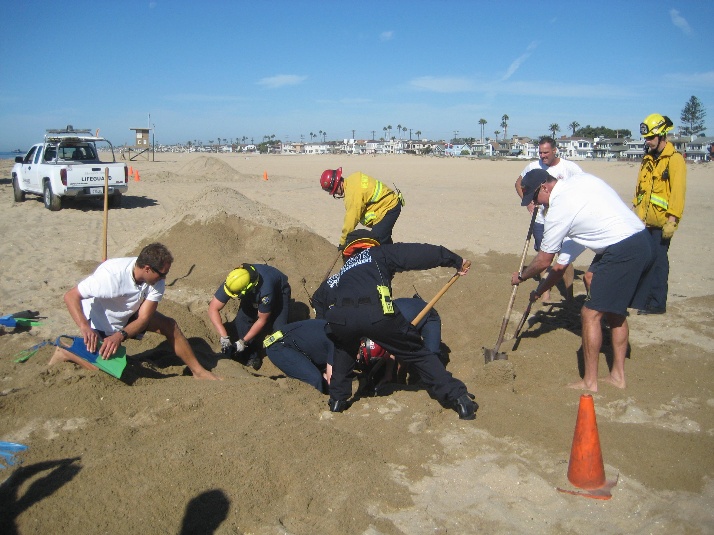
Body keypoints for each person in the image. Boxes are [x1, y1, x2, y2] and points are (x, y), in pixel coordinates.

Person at [511, 169, 654, 392]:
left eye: (535, 199)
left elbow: (544, 261)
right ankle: (617, 376)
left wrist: (521, 276)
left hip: (623, 247)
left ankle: (590, 382)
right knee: (613, 309)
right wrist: (540, 290)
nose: (536, 206)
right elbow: (559, 267)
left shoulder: (559, 209)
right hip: (638, 240)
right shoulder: (578, 182)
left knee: (590, 313)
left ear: (545, 188)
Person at [314, 235, 477, 419]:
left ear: (349, 252)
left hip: (341, 318)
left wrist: (325, 319)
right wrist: (455, 260)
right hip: (376, 313)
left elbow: (319, 297)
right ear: (370, 245)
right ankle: (459, 398)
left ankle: (337, 401)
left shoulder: (342, 272)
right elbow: (418, 254)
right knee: (416, 352)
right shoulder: (379, 253)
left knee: (343, 351)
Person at [50, 243, 220, 380]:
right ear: (147, 268)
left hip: (129, 314)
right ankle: (67, 351)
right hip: (99, 321)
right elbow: (71, 296)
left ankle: (198, 372)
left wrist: (120, 336)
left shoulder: (156, 282)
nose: (164, 278)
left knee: (170, 325)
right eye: (162, 274)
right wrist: (85, 327)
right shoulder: (110, 276)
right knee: (104, 370)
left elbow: (144, 318)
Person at [514, 137, 583, 301]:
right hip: (540, 220)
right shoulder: (533, 166)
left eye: (546, 152)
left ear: (554, 150)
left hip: (563, 221)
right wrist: (529, 201)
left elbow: (581, 185)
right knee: (542, 254)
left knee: (564, 256)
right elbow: (518, 183)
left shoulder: (569, 167)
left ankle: (569, 293)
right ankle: (545, 291)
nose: (543, 156)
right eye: (540, 153)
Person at [632, 113, 687, 315]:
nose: (647, 141)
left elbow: (678, 193)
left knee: (658, 262)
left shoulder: (674, 160)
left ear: (662, 136)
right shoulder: (648, 158)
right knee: (645, 260)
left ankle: (656, 303)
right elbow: (640, 189)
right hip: (643, 221)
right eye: (645, 138)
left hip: (662, 222)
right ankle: (643, 298)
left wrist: (672, 220)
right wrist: (634, 212)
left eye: (650, 138)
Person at [208, 263, 291, 370]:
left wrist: (243, 341)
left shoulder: (265, 291)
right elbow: (212, 308)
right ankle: (251, 356)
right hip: (251, 291)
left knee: (279, 330)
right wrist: (224, 336)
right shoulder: (234, 280)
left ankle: (279, 359)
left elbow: (262, 320)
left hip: (279, 291)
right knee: (241, 321)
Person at [320, 167, 404, 248]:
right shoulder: (354, 178)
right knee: (384, 240)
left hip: (388, 208)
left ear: (338, 184)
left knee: (376, 243)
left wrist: (343, 242)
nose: (336, 193)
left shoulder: (352, 195)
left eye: (335, 191)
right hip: (389, 203)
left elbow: (351, 219)